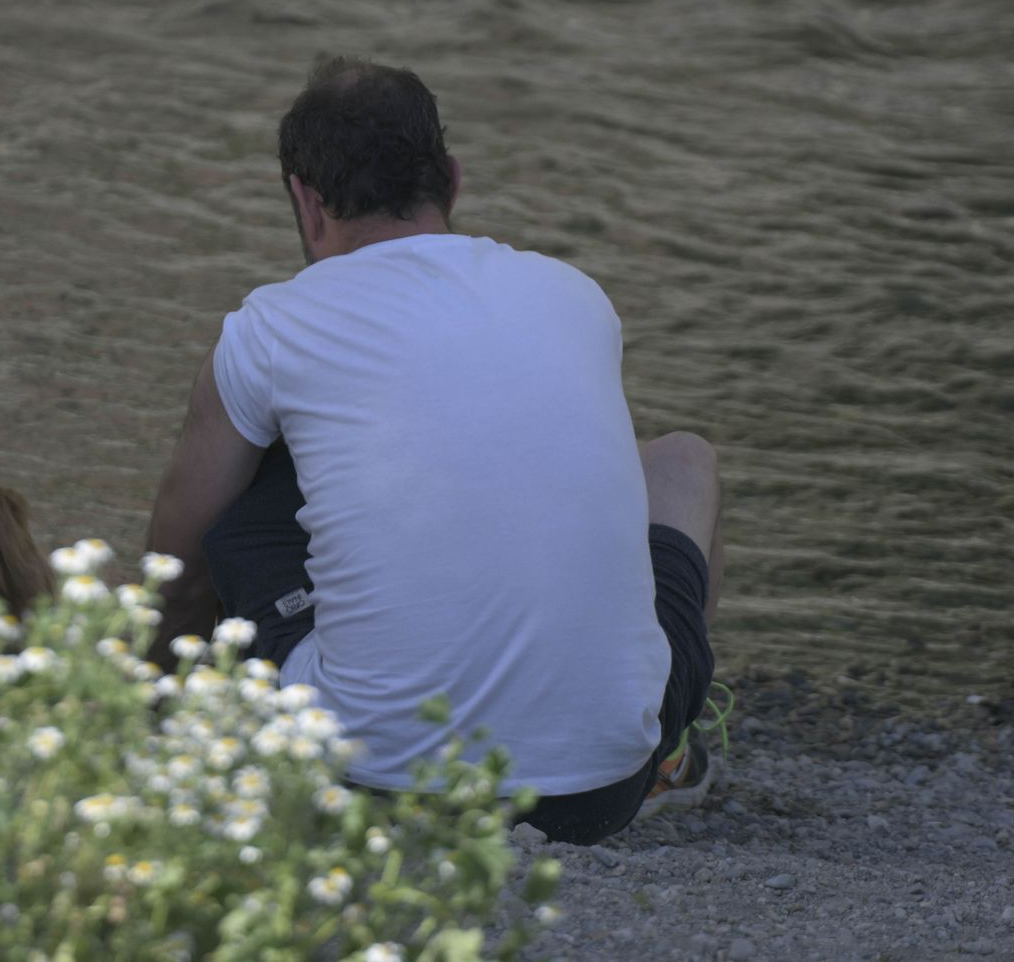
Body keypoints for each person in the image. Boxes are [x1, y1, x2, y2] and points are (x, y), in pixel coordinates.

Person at [144, 57, 725, 845]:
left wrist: (151, 698)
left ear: (305, 202)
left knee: (242, 493)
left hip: (376, 782)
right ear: (450, 180)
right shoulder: (574, 293)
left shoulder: (269, 328)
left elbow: (175, 571)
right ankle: (666, 755)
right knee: (682, 461)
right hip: (598, 793)